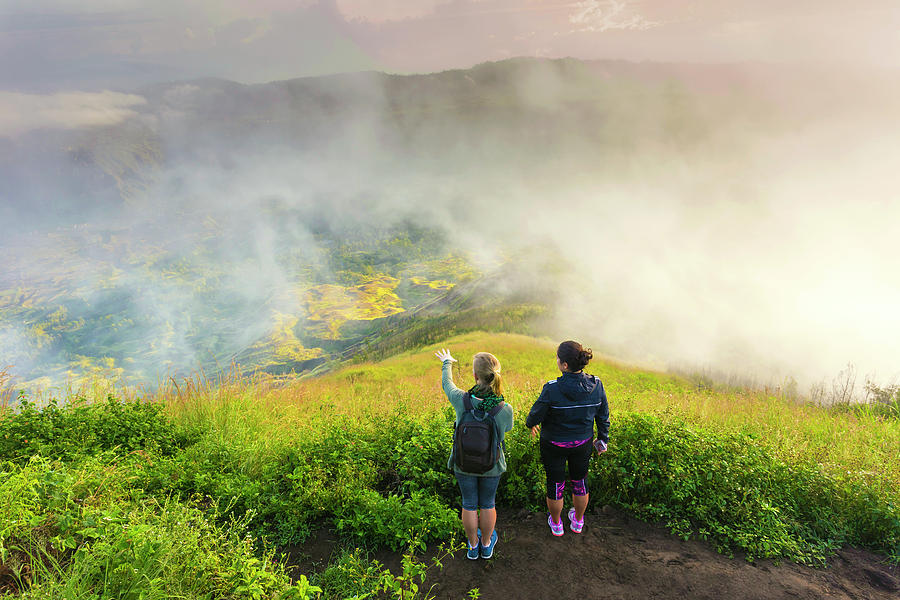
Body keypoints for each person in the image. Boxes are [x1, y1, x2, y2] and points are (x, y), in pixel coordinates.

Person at [435, 347, 514, 560]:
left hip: (463, 463)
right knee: (488, 503)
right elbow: (506, 430)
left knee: (469, 503)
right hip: (492, 465)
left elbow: (447, 384)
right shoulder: (504, 408)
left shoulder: (462, 400)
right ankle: (487, 545)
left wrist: (447, 362)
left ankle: (472, 546)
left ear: (475, 376)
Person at [525, 340, 609, 536]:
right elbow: (603, 415)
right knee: (580, 481)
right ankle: (578, 521)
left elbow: (534, 416)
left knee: (555, 483)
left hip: (553, 443)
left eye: (558, 358)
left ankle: (556, 524)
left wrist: (532, 424)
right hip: (583, 443)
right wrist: (602, 439)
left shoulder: (552, 388)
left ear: (564, 365)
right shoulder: (597, 385)